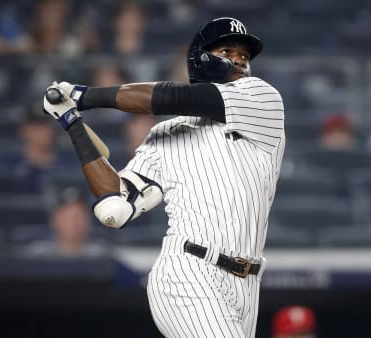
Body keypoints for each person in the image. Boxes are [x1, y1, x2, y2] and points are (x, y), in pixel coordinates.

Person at [42, 17, 285, 338]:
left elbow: (173, 98)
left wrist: (85, 96)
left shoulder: (261, 99)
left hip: (247, 283)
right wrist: (72, 122)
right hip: (188, 271)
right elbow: (115, 208)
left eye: (245, 55)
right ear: (201, 59)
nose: (240, 60)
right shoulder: (164, 135)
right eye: (228, 50)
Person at [23, 188, 110, 257]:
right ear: (54, 221)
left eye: (80, 216)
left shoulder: (103, 255)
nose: (76, 223)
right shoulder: (37, 255)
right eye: (69, 217)